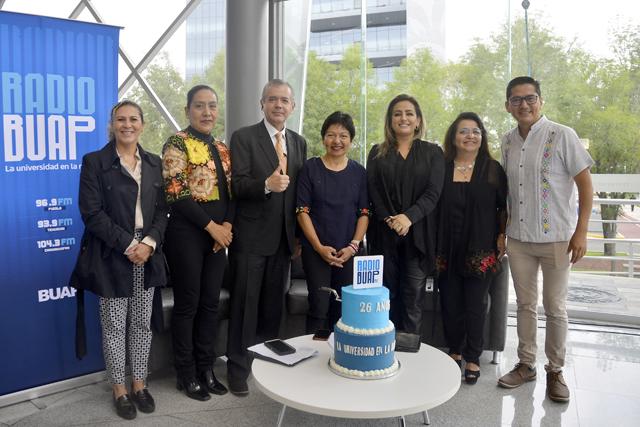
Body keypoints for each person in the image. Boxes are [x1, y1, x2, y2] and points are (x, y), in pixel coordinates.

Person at [497, 76, 594, 403]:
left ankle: (556, 370)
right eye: (516, 100)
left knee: (555, 307)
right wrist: (502, 231)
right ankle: (526, 364)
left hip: (557, 239)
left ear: (540, 101)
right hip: (519, 238)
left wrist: (581, 231)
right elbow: (506, 194)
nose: (524, 105)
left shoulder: (563, 135)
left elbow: (585, 185)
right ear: (508, 106)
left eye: (530, 98)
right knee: (525, 305)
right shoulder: (507, 141)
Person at [70, 100, 168, 420]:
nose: (127, 125)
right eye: (121, 119)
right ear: (112, 125)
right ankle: (119, 389)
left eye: (133, 119)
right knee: (114, 326)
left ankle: (139, 384)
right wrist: (129, 245)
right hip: (112, 252)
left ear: (143, 124)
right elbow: (92, 213)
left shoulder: (153, 163)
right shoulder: (95, 162)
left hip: (147, 253)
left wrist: (148, 243)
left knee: (141, 323)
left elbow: (163, 211)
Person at [227, 79, 307, 395]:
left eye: (284, 100)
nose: (278, 105)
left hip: (284, 240)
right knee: (244, 308)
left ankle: (266, 366)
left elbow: (299, 193)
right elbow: (236, 185)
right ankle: (237, 368)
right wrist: (265, 185)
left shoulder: (299, 142)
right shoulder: (244, 137)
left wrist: (297, 236)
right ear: (262, 104)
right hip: (250, 239)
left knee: (273, 310)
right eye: (272, 99)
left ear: (292, 106)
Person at [162, 85, 234, 401]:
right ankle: (186, 372)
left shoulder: (222, 147)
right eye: (199, 106)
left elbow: (232, 194)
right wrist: (212, 228)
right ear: (188, 110)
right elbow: (176, 193)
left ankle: (206, 368)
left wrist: (226, 227)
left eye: (212, 106)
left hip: (217, 238)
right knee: (188, 304)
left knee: (210, 304)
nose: (207, 112)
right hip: (186, 235)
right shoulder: (177, 142)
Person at [435, 112, 508, 385]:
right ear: (453, 137)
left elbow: (503, 207)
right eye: (464, 131)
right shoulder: (441, 167)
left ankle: (473, 356)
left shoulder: (492, 168)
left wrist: (502, 235)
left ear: (482, 137)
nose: (470, 136)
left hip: (481, 247)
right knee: (450, 302)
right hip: (446, 247)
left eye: (476, 131)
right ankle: (454, 351)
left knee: (476, 305)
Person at [366, 94, 445, 336]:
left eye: (409, 113)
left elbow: (433, 192)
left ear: (418, 120)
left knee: (413, 300)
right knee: (385, 298)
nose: (404, 118)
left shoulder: (433, 152)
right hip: (384, 235)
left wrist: (408, 218)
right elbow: (373, 191)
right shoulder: (377, 152)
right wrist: (391, 220)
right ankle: (384, 348)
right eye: (397, 114)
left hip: (418, 237)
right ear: (390, 121)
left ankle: (409, 351)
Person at [296, 111, 369, 333]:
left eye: (343, 136)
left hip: (349, 253)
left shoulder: (359, 172)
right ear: (323, 138)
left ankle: (339, 352)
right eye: (331, 135)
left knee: (343, 310)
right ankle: (313, 352)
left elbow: (364, 213)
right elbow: (302, 211)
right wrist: (318, 247)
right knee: (318, 307)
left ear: (351, 140)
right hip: (316, 251)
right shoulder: (310, 168)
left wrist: (353, 246)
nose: (337, 141)